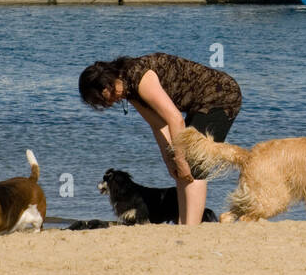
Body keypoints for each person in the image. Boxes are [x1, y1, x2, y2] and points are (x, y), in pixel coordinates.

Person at [79, 53, 242, 225]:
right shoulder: (129, 90)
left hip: (221, 96)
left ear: (106, 85)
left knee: (193, 163)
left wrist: (180, 158)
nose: (109, 104)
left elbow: (175, 119)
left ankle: (192, 228)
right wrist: (169, 160)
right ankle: (184, 223)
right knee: (181, 167)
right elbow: (158, 125)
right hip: (199, 104)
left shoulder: (139, 77)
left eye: (104, 99)